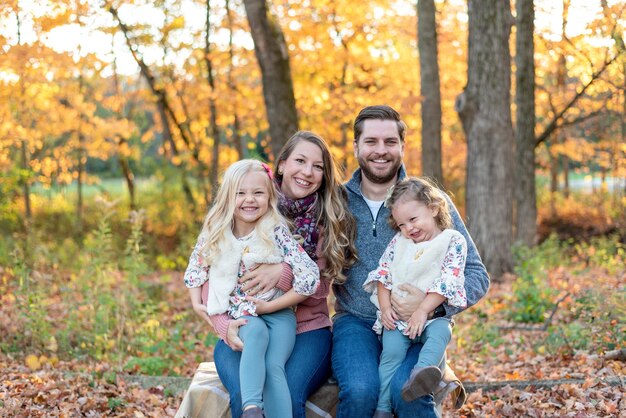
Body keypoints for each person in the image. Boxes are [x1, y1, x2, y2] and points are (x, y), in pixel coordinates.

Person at [332, 105, 490, 418]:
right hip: (356, 322)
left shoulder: (429, 201)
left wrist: (434, 308)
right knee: (361, 390)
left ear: (403, 146)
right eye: (371, 141)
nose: (381, 150)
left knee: (407, 391)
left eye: (390, 142)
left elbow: (476, 275)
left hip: (419, 324)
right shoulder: (336, 201)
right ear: (356, 147)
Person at [206, 132, 357, 418]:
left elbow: (320, 287)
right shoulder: (250, 203)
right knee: (246, 394)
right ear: (282, 165)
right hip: (244, 323)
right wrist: (224, 325)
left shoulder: (327, 219)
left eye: (318, 166)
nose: (307, 172)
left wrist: (283, 273)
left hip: (307, 330)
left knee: (286, 389)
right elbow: (211, 280)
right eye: (300, 161)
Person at [183, 159, 321, 418]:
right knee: (254, 332)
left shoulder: (276, 232)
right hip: (243, 316)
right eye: (241, 193)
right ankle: (252, 409)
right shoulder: (216, 234)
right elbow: (195, 271)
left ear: (269, 197)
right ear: (227, 197)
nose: (250, 199)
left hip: (279, 315)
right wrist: (196, 302)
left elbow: (310, 278)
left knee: (273, 366)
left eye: (258, 193)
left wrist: (271, 305)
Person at [363, 177, 468, 418]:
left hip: (431, 316)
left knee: (441, 333)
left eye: (413, 219)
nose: (408, 229)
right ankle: (382, 409)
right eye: (401, 224)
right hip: (398, 319)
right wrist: (386, 308)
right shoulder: (400, 242)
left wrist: (423, 310)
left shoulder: (451, 241)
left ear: (433, 208)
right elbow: (383, 274)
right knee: (390, 355)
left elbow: (448, 280)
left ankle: (422, 374)